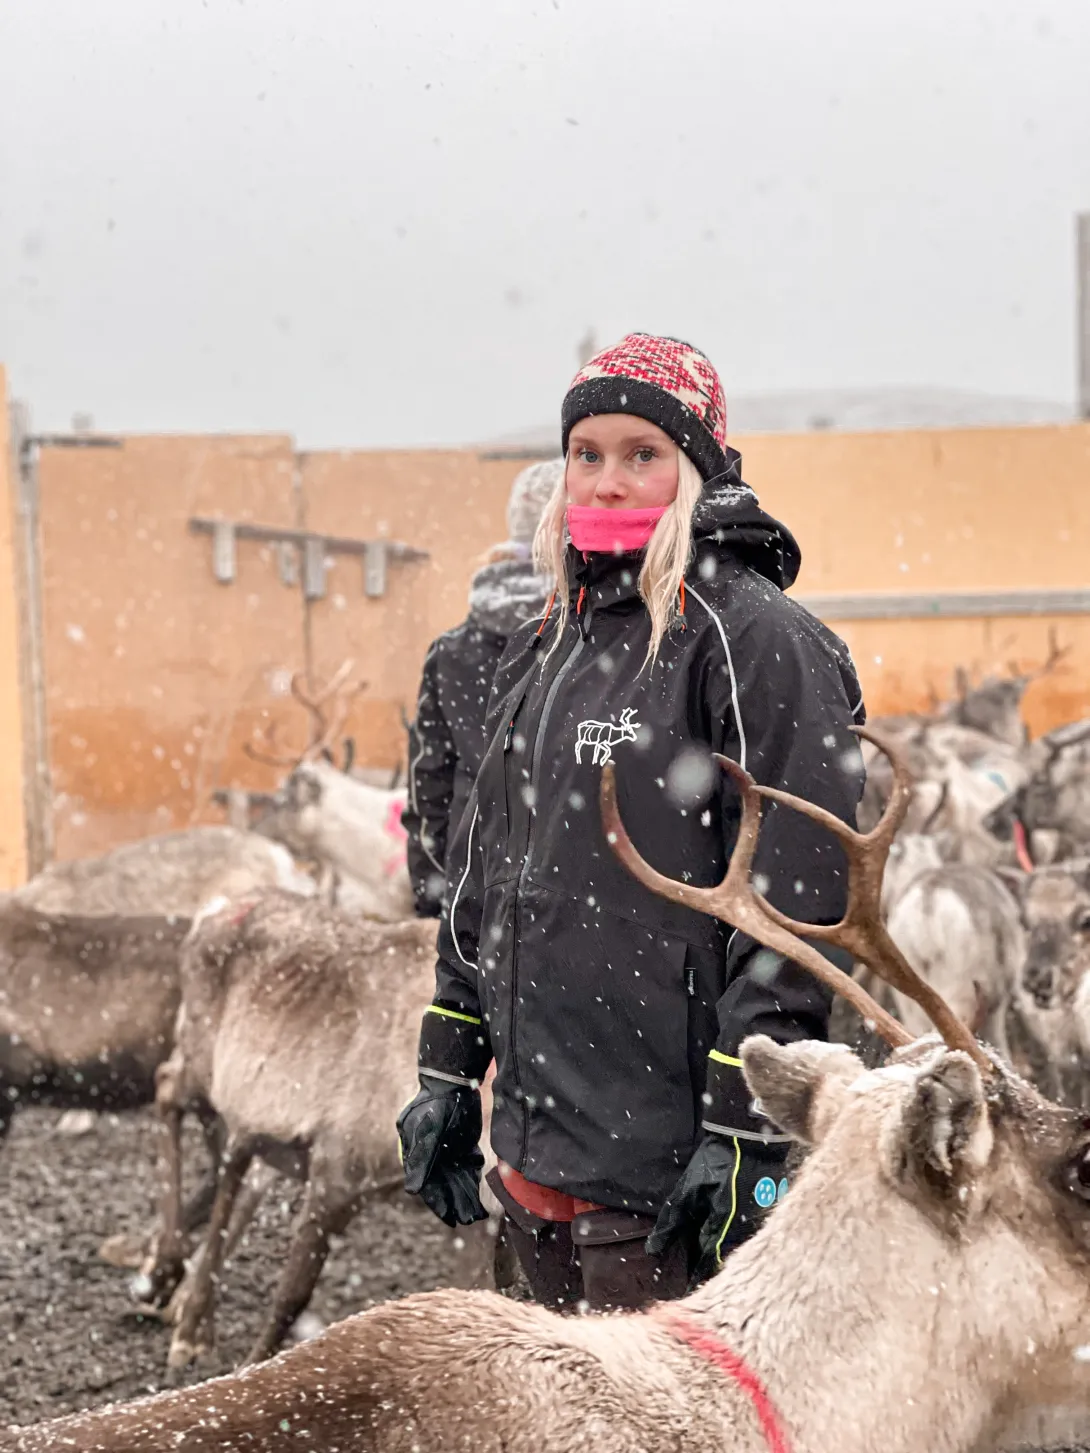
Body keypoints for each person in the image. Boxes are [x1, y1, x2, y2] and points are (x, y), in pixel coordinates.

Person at [398, 333, 865, 1311]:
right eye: (587, 455)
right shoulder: (550, 642)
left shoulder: (754, 638)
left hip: (670, 1165)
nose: (606, 483)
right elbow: (490, 876)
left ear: (696, 467)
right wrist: (449, 1067)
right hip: (537, 1151)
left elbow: (801, 903)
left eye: (640, 454)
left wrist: (746, 1131)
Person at [402, 459, 562, 916]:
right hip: (575, 903)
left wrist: (438, 904)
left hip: (475, 896)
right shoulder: (596, 635)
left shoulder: (450, 652)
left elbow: (425, 791)